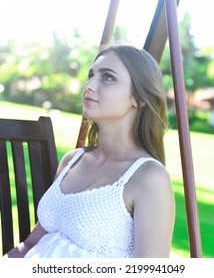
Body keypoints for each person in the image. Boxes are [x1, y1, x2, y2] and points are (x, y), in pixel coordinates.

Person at [4, 44, 175, 258]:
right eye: (91, 75)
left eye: (108, 77)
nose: (90, 85)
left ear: (139, 98)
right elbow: (30, 244)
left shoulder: (148, 177)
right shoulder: (72, 160)